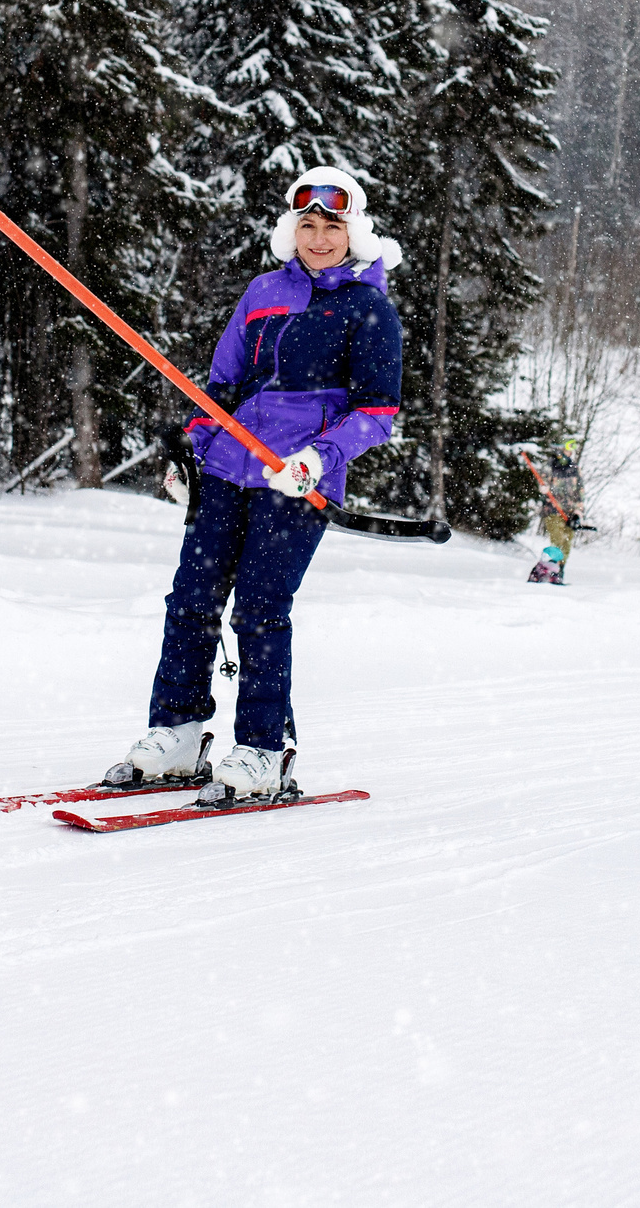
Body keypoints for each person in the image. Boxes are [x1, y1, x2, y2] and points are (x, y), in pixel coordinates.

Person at [105, 167, 405, 805]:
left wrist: (319, 458)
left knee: (260, 609)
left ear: (353, 232)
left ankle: (266, 750)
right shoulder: (263, 291)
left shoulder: (369, 307)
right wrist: (194, 450)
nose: (317, 238)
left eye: (331, 226)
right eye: (307, 224)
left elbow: (377, 412)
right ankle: (178, 732)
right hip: (228, 468)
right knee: (191, 599)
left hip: (297, 480)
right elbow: (222, 385)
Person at [527, 435, 588, 584]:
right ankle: (545, 570)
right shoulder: (550, 466)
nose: (570, 453)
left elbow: (580, 492)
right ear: (560, 450)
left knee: (566, 544)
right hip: (553, 511)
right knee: (558, 540)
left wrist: (577, 513)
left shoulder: (575, 469)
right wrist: (543, 488)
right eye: (568, 449)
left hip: (569, 514)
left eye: (572, 450)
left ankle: (559, 572)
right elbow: (543, 483)